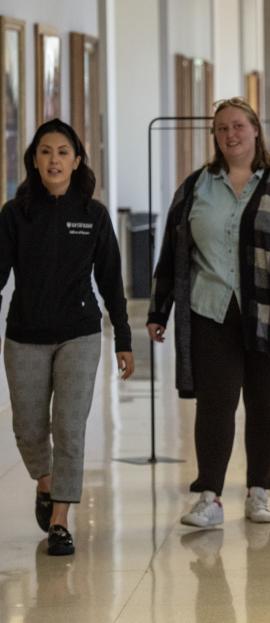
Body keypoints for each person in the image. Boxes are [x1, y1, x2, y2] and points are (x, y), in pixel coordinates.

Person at [147, 97, 270, 528]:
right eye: (222, 129)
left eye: (238, 126)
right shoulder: (197, 186)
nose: (231, 135)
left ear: (255, 131)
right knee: (215, 404)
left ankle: (258, 492)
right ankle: (209, 496)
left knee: (267, 404)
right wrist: (159, 309)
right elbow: (173, 253)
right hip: (210, 311)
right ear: (215, 136)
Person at [0, 119, 134, 556]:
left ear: (77, 160)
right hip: (25, 334)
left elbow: (112, 280)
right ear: (34, 160)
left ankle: (60, 519)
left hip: (79, 334)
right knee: (28, 427)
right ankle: (46, 481)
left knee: (70, 426)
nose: (53, 160)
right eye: (45, 152)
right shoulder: (15, 213)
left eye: (62, 152)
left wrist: (125, 339)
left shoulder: (92, 214)